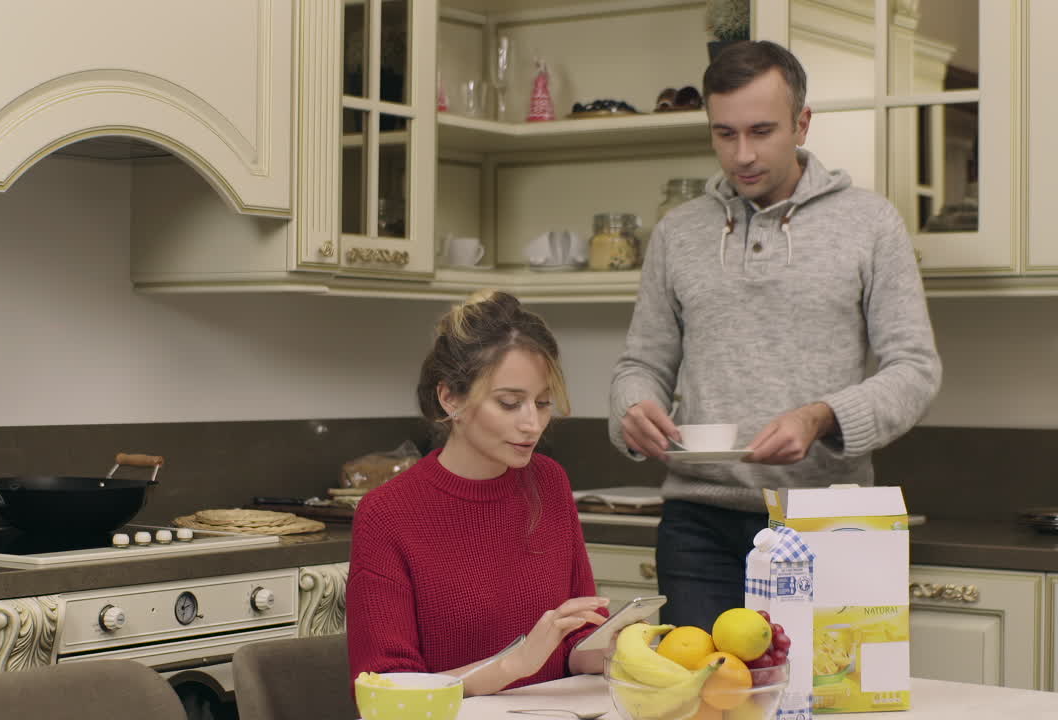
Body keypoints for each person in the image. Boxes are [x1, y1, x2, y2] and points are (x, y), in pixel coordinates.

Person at [608, 41, 942, 629]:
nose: (742, 155)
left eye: (761, 131)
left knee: (825, 705)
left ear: (802, 123)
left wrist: (820, 417)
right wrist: (633, 406)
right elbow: (642, 362)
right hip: (697, 524)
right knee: (704, 705)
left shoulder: (869, 223)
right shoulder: (678, 233)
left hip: (825, 519)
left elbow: (914, 368)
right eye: (724, 134)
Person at [347, 290, 609, 697]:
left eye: (542, 403)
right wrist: (515, 664)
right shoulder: (387, 514)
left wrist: (614, 646)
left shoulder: (549, 481)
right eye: (509, 403)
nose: (532, 424)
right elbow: (388, 689)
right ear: (450, 397)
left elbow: (574, 642)